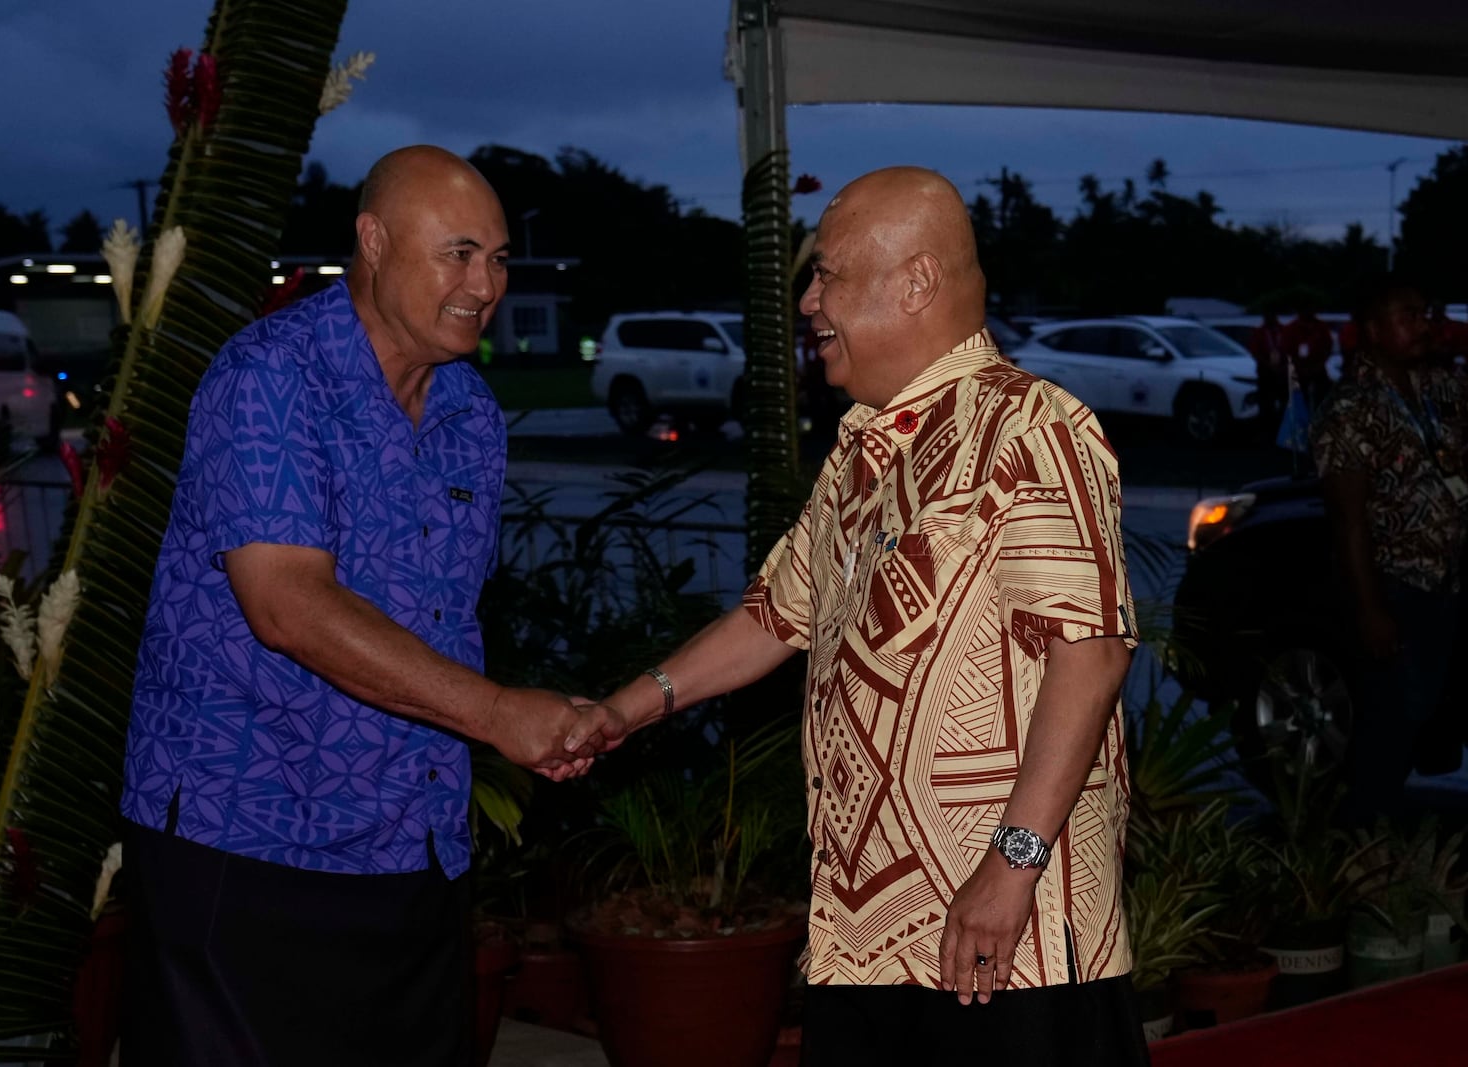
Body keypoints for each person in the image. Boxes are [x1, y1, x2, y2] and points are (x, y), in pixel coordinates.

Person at [593, 167, 1145, 1065]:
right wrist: (626, 708)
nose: (809, 301)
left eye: (830, 275)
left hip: (1008, 942)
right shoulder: (861, 450)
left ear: (916, 282)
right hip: (865, 934)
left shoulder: (1031, 427)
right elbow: (775, 618)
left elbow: (1092, 655)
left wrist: (1009, 867)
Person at [118, 146, 618, 1066]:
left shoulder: (471, 413)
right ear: (374, 241)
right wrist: (500, 712)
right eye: (459, 253)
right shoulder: (270, 375)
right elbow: (288, 606)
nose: (486, 284)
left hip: (408, 840)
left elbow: (440, 618)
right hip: (251, 832)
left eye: (500, 259)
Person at [1312, 279, 1468, 825]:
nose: (1423, 323)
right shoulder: (1350, 408)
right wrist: (1371, 609)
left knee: (1424, 715)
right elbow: (1348, 523)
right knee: (1391, 724)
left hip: (1446, 580)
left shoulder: (1441, 389)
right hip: (1397, 585)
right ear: (1373, 331)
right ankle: (1356, 847)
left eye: (1426, 313)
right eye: (1408, 315)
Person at [1279, 304, 1335, 411]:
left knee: (1324, 397)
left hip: (1318, 368)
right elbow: (1286, 351)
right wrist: (1299, 367)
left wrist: (1319, 365)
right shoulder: (1291, 328)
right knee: (1298, 399)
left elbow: (1328, 347)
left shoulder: (1321, 327)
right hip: (1298, 369)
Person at [1248, 309, 1287, 432]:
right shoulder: (1259, 332)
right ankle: (1267, 432)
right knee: (1266, 405)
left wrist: (1283, 366)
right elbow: (1255, 352)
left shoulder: (1284, 330)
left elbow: (1292, 349)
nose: (1270, 317)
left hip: (1283, 372)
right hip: (1266, 373)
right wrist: (1269, 365)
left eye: (1272, 314)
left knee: (1285, 404)